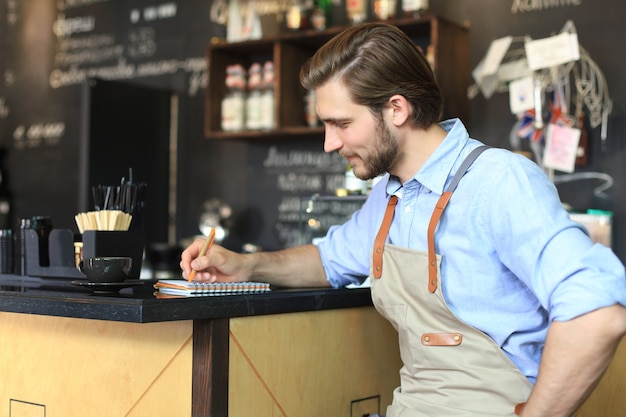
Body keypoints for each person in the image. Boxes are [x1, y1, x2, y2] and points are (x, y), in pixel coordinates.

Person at [181, 22, 626, 417]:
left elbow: (597, 310)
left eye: (340, 124)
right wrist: (244, 266)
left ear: (396, 109)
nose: (328, 144)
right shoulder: (390, 195)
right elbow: (329, 260)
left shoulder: (499, 182)